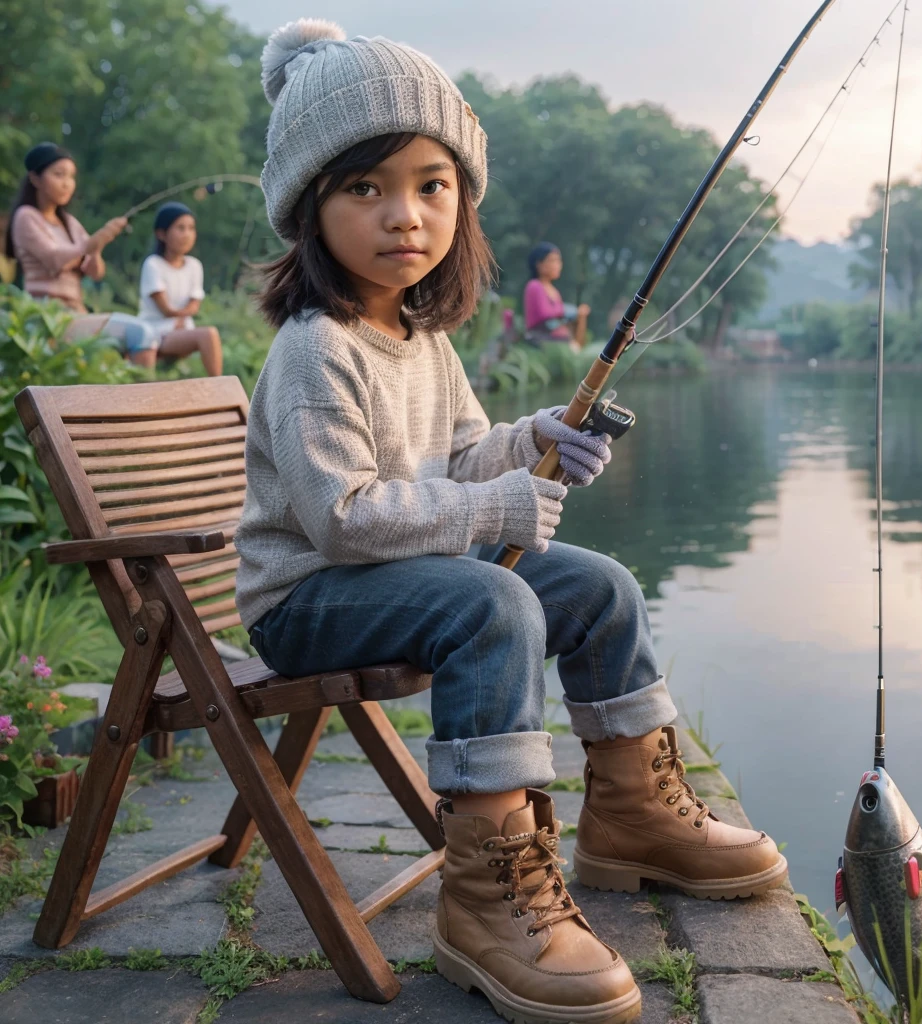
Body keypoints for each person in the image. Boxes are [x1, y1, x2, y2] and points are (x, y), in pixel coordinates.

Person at [236, 19, 787, 1024]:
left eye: (429, 184)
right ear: (308, 209)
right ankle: (487, 893)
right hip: (308, 600)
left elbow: (454, 457)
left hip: (392, 571)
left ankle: (631, 817)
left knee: (596, 584)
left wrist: (529, 435)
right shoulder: (316, 350)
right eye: (365, 187)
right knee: (491, 604)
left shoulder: (416, 335)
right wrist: (493, 504)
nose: (404, 214)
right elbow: (345, 520)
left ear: (462, 201)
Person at [5, 141, 160, 362]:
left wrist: (96, 248)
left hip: (78, 314)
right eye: (59, 175)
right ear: (35, 178)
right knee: (142, 333)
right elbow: (54, 259)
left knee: (136, 341)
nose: (67, 183)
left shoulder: (69, 222)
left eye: (71, 177)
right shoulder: (26, 217)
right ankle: (148, 398)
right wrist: (95, 240)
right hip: (49, 319)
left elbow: (95, 272)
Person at [136, 203, 222, 376]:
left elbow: (194, 305)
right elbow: (165, 309)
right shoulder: (153, 264)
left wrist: (181, 317)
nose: (187, 234)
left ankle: (221, 390)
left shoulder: (194, 266)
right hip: (154, 331)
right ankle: (220, 389)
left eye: (191, 228)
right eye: (180, 228)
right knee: (207, 334)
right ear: (161, 234)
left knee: (209, 334)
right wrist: (182, 316)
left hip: (182, 329)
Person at [522, 242, 590, 350]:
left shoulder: (554, 291)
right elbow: (544, 313)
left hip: (557, 339)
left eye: (559, 261)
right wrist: (571, 310)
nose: (557, 265)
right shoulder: (534, 286)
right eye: (553, 260)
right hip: (539, 339)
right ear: (539, 264)